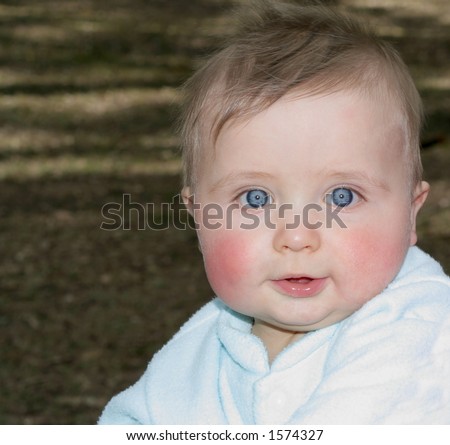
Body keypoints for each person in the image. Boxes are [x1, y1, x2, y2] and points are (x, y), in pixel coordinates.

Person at [98, 1, 450, 424]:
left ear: (410, 215)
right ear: (199, 218)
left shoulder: (421, 330)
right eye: (255, 200)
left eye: (341, 197)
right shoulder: (203, 343)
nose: (298, 236)